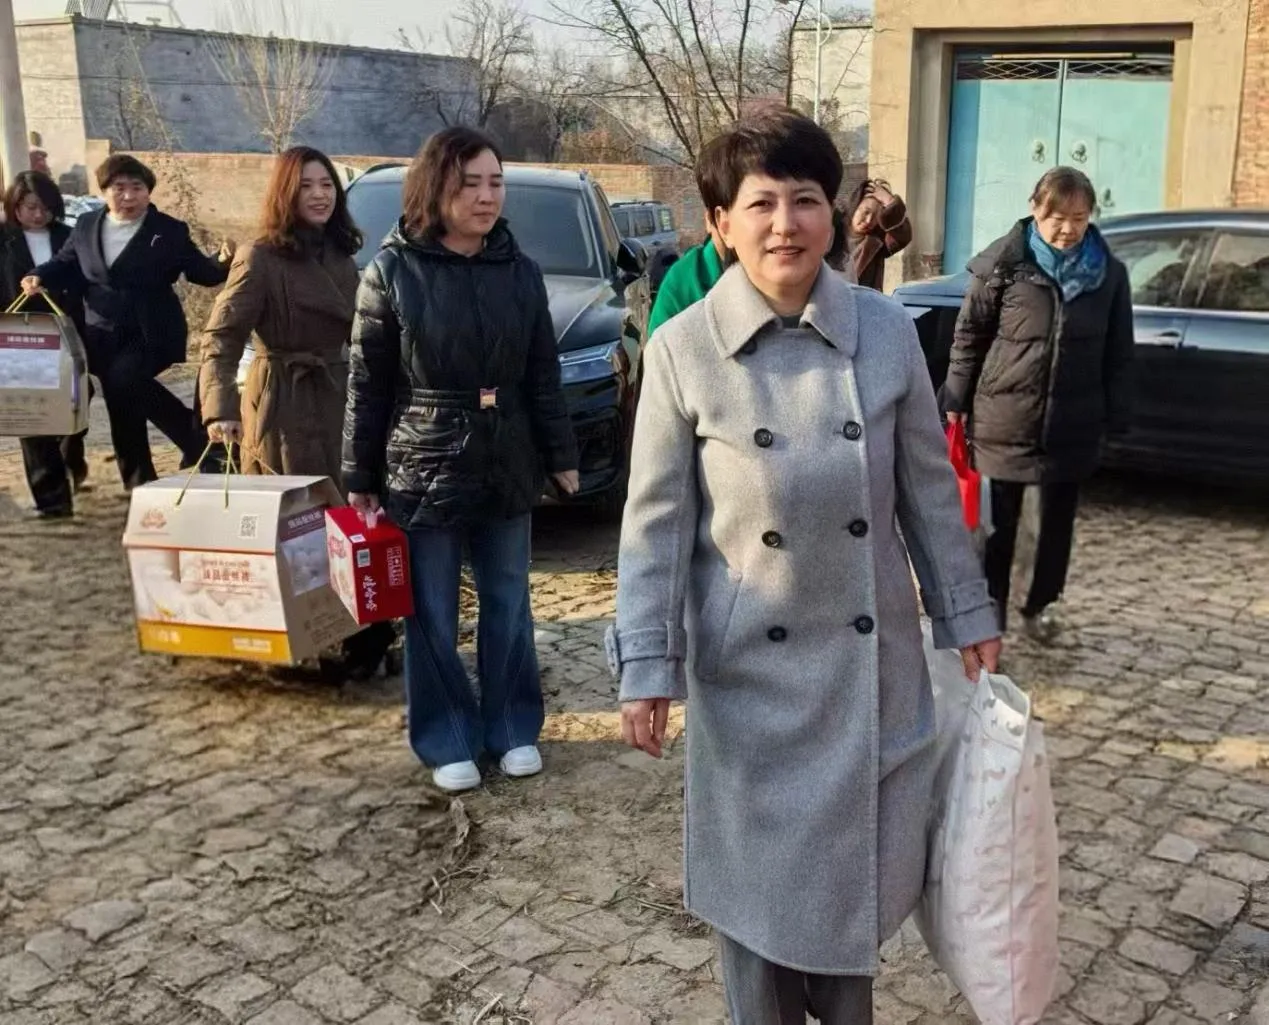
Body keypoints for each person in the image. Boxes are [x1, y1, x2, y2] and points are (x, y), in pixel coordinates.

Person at [608, 111, 1001, 1024]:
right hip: (751, 678)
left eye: (805, 200)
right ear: (721, 223)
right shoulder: (683, 349)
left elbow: (926, 491)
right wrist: (647, 663)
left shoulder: (885, 331)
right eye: (760, 204)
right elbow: (655, 526)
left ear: (834, 213)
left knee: (852, 896)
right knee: (758, 907)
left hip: (869, 668)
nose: (784, 224)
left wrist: (966, 612)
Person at [342, 126, 580, 793]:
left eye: (494, 182)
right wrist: (359, 474)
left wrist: (560, 454)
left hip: (507, 454)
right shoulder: (391, 272)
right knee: (431, 611)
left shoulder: (520, 271)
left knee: (508, 601)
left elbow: (542, 374)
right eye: (469, 183)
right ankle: (447, 735)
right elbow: (366, 384)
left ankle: (512, 727)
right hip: (422, 460)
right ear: (435, 187)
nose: (485, 197)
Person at [199, 146, 396, 680]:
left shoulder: (341, 254)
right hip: (283, 404)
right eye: (307, 185)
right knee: (295, 525)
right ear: (286, 192)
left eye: (327, 184)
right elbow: (220, 338)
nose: (319, 194)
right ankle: (302, 642)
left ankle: (359, 633)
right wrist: (219, 409)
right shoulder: (260, 256)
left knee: (350, 518)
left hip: (340, 396)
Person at [943, 166, 1133, 643]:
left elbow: (1119, 350)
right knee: (996, 528)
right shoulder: (1003, 264)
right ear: (1035, 209)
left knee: (1054, 527)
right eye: (1057, 218)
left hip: (1072, 421)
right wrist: (956, 398)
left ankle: (1040, 604)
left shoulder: (1108, 275)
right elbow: (969, 335)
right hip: (1004, 419)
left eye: (1079, 218)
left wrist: (1117, 413)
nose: (1068, 229)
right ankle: (989, 618)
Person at [21, 154, 234, 490]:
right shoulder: (87, 226)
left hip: (150, 331)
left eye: (137, 187)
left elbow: (201, 272)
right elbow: (64, 262)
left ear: (148, 191)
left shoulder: (168, 230)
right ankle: (138, 483)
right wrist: (38, 275)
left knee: (124, 381)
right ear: (104, 191)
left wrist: (222, 260)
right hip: (100, 332)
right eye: (119, 188)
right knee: (122, 406)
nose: (129, 196)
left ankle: (197, 441)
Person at [1, 171, 87, 519]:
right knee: (30, 417)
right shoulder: (3, 240)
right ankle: (53, 502)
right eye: (30, 207)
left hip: (64, 335)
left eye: (46, 208)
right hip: (17, 339)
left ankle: (70, 458)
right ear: (15, 207)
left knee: (75, 404)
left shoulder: (69, 238)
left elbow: (84, 284)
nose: (38, 215)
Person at [842, 177, 912, 291]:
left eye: (876, 216)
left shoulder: (878, 243)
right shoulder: (831, 233)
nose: (869, 220)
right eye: (866, 212)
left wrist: (889, 201)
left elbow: (903, 236)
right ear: (855, 206)